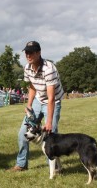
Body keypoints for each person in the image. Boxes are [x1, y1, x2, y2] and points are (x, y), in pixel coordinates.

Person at [7, 41, 64, 171]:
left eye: (31, 52)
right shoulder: (27, 67)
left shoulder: (49, 69)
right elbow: (32, 86)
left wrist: (48, 122)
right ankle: (21, 164)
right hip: (38, 100)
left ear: (39, 53)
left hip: (53, 100)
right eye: (26, 52)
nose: (28, 55)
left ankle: (54, 166)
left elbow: (51, 98)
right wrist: (29, 105)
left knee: (51, 133)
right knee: (23, 132)